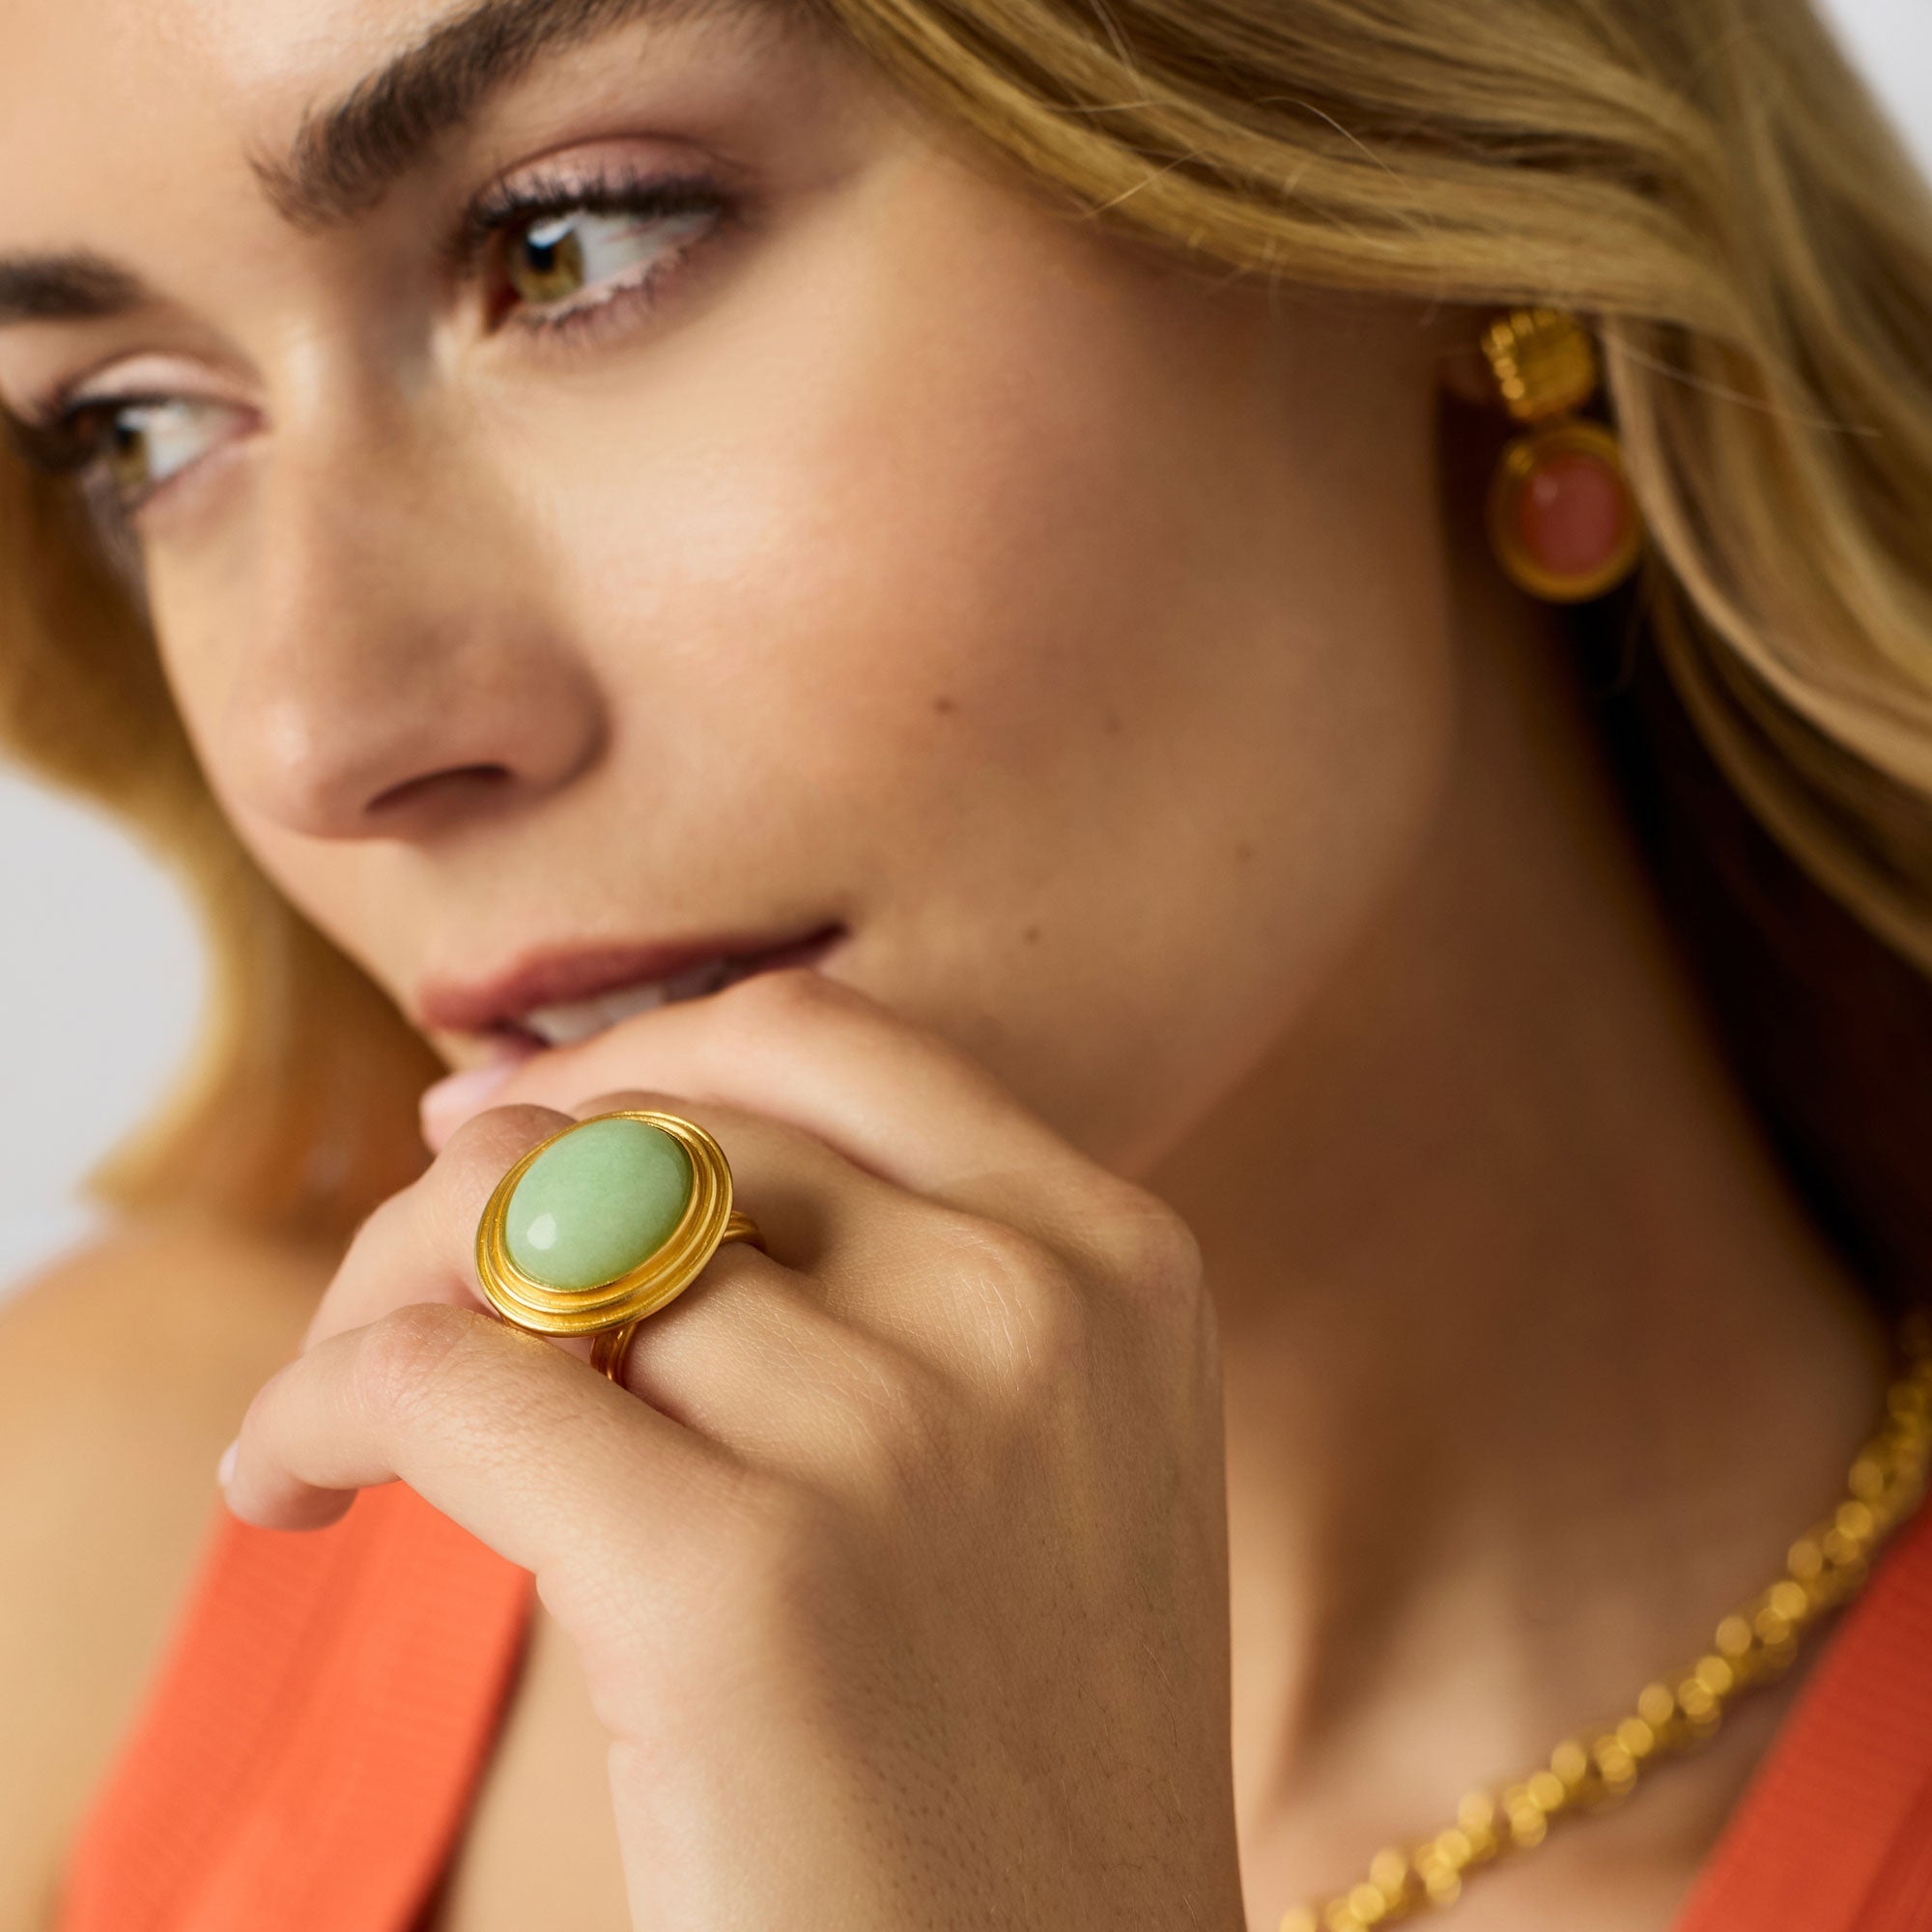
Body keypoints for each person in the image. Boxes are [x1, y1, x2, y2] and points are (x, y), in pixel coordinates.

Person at [2, 0, 1930, 1926]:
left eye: (573, 244)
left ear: (1442, 184)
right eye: (136, 428)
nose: (316, 736)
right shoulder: (110, 1534)